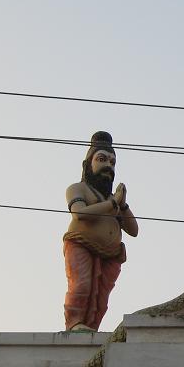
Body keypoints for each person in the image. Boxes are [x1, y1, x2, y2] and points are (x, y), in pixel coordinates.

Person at [63, 131, 138, 331]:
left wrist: (122, 204)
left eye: (113, 163)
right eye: (102, 159)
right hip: (81, 244)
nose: (108, 166)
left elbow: (134, 230)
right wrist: (113, 202)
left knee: (100, 297)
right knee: (82, 286)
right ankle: (75, 323)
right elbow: (79, 214)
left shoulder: (112, 200)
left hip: (110, 254)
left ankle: (91, 327)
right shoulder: (78, 189)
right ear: (88, 164)